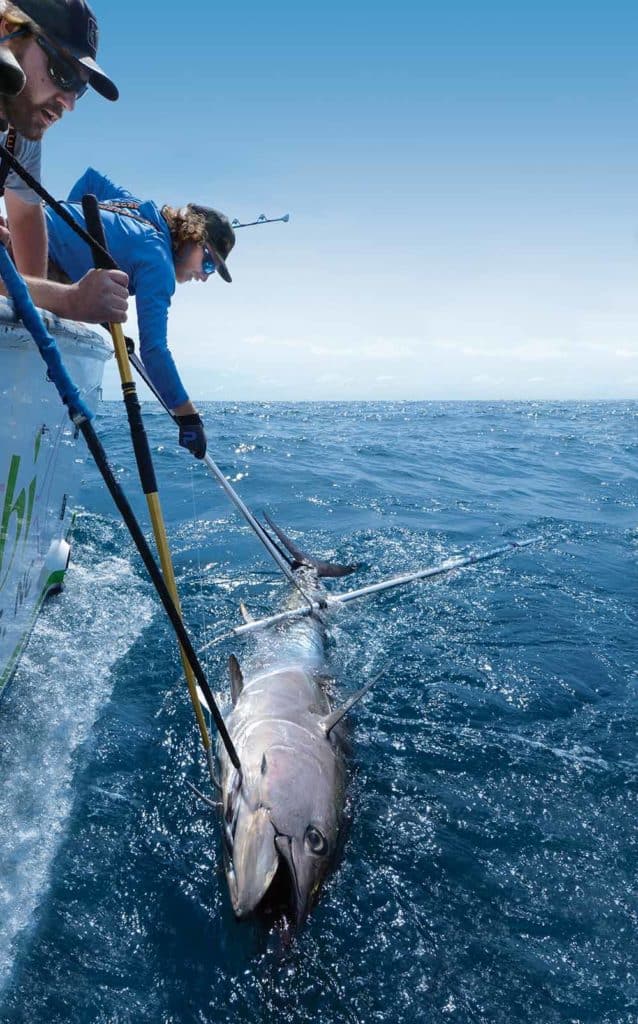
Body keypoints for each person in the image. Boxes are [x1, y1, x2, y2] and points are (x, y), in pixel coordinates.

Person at [45, 166, 237, 459]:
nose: (204, 276)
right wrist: (188, 418)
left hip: (25, 223)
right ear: (194, 237)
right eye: (208, 264)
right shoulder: (159, 263)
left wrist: (70, 241)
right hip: (22, 251)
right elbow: (154, 350)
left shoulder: (138, 210)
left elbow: (90, 180)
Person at [0, 0, 128, 324]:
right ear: (8, 32)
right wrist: (68, 300)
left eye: (79, 90)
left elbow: (27, 214)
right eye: (64, 73)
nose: (69, 103)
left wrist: (40, 311)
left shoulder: (19, 135)